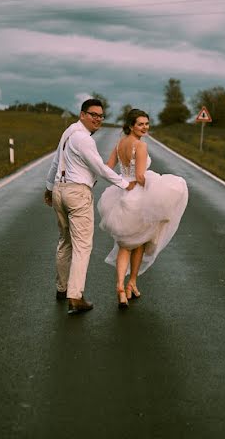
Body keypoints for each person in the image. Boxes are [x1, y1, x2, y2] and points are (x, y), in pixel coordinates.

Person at [44, 98, 136, 315]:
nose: (97, 119)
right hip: (77, 192)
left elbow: (56, 162)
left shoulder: (69, 131)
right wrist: (125, 184)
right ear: (82, 114)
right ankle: (75, 297)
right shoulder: (84, 139)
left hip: (59, 189)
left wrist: (49, 187)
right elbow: (100, 168)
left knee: (65, 241)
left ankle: (62, 288)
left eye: (101, 116)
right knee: (82, 246)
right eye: (93, 114)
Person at [97, 109, 188, 309]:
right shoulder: (140, 145)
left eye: (147, 123)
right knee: (138, 244)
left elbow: (106, 168)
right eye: (140, 124)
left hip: (121, 196)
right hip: (137, 197)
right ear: (131, 126)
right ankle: (132, 283)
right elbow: (139, 176)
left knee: (124, 245)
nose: (145, 127)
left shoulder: (119, 144)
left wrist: (120, 183)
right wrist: (160, 188)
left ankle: (122, 287)